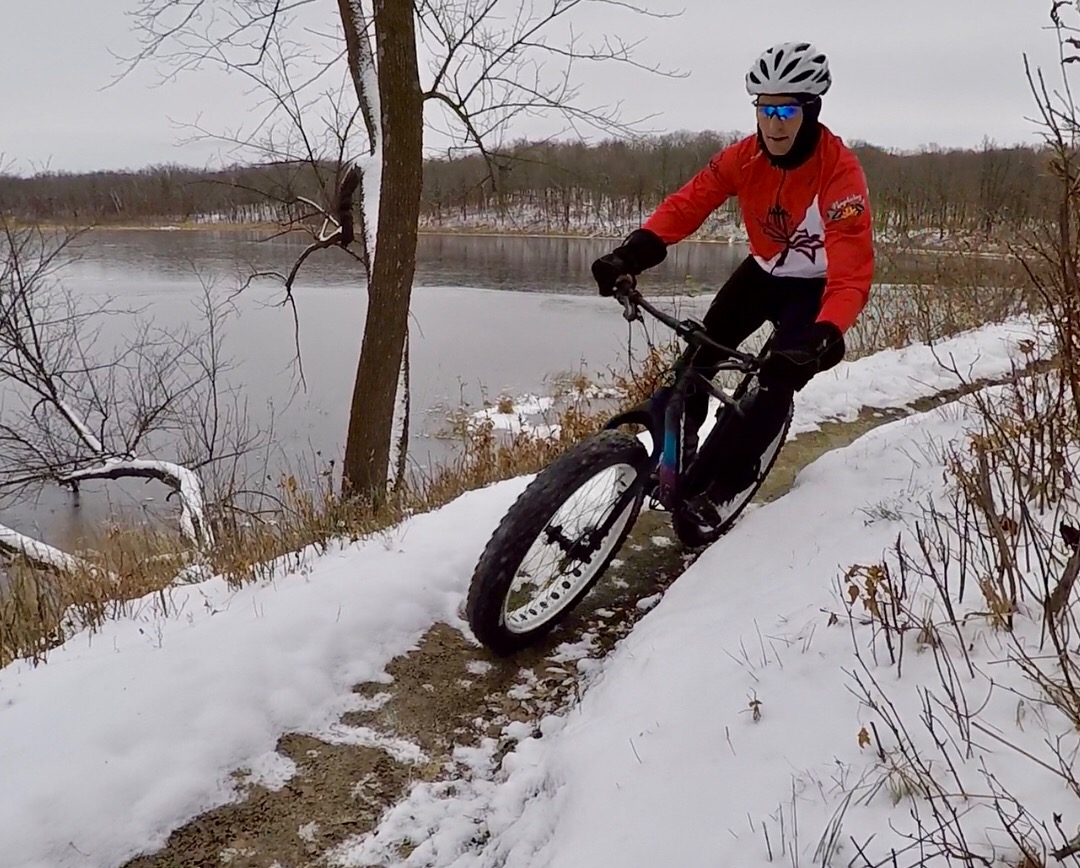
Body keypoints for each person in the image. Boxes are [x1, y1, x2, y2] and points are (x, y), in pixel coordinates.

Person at [591, 41, 874, 526]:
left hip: (816, 287)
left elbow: (851, 270)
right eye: (765, 109)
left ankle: (729, 484)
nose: (775, 122)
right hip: (762, 273)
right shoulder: (743, 158)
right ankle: (682, 450)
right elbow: (689, 203)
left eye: (787, 109)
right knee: (696, 360)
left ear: (811, 111)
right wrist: (631, 253)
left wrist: (825, 333)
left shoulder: (840, 174)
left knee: (775, 382)